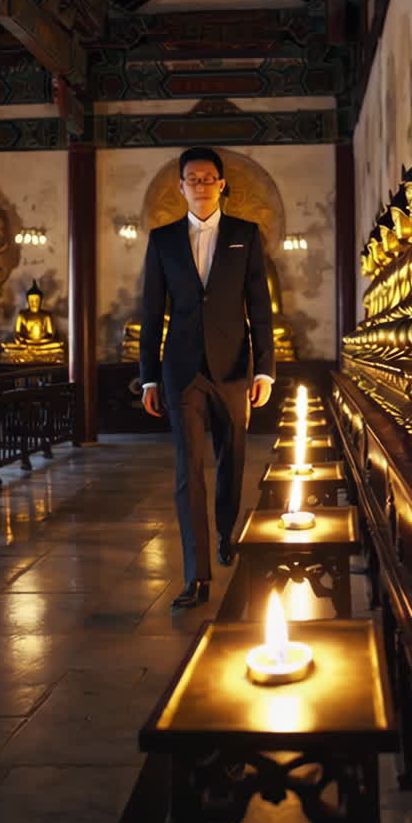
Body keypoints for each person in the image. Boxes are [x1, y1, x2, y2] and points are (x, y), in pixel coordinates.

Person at [140, 147, 275, 610]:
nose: (200, 185)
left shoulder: (245, 234)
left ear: (221, 184)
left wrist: (264, 370)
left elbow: (260, 307)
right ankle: (196, 576)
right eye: (192, 179)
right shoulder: (162, 240)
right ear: (181, 187)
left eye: (207, 178)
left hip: (234, 368)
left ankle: (224, 531)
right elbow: (151, 313)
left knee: (232, 459)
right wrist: (148, 378)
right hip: (181, 372)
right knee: (188, 469)